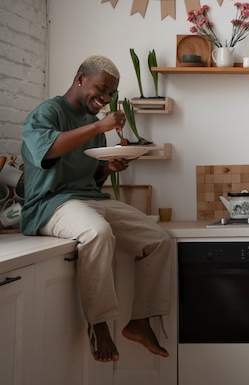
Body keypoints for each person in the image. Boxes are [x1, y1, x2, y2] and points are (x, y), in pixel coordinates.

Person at [20, 55, 171, 363]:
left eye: (110, 94)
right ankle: (99, 323)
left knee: (158, 240)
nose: (104, 99)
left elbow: (91, 178)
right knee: (98, 232)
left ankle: (140, 321)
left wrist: (109, 169)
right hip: (49, 203)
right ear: (80, 79)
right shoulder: (47, 113)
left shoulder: (94, 124)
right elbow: (47, 151)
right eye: (101, 90)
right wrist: (100, 125)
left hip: (88, 198)